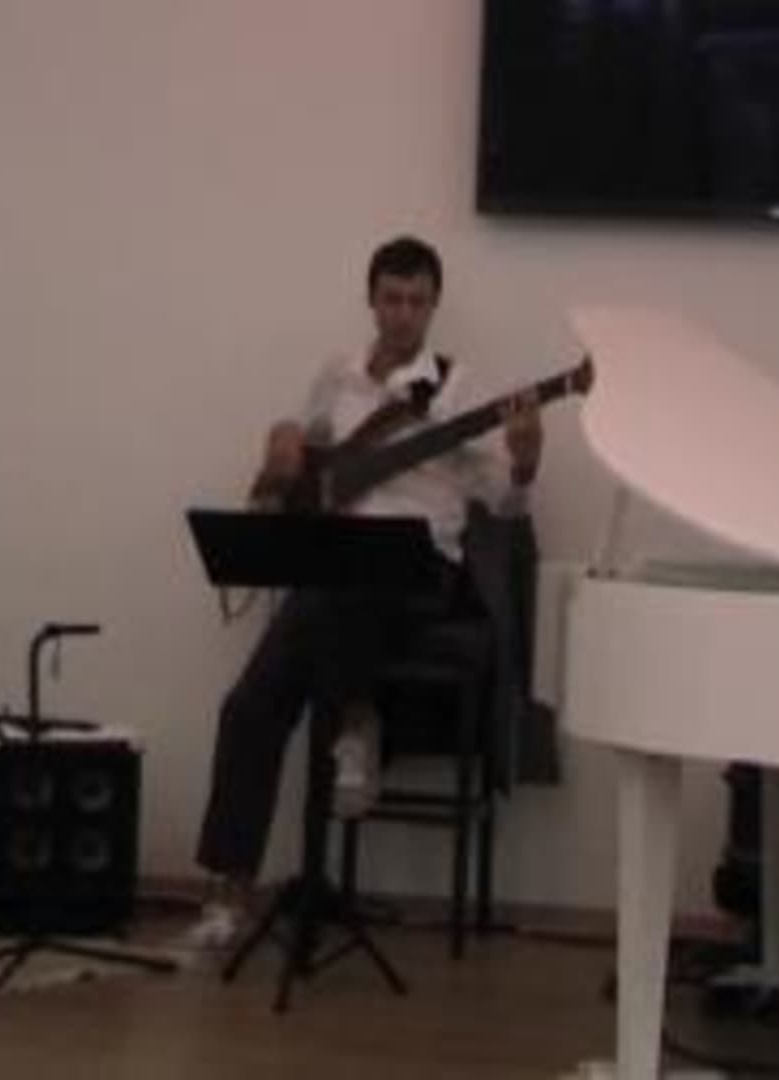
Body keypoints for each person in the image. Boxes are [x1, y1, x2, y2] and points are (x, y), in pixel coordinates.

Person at [183, 235, 544, 949]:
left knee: (355, 579)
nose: (403, 312)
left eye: (417, 300)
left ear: (433, 306)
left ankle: (354, 721)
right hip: (334, 572)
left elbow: (503, 503)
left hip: (421, 569)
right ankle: (232, 890)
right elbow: (302, 442)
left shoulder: (459, 390)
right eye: (391, 298)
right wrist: (280, 446)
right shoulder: (338, 375)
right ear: (371, 300)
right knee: (250, 704)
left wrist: (526, 461)